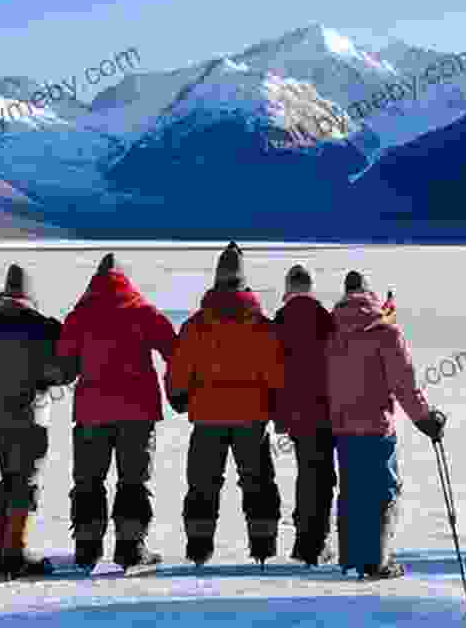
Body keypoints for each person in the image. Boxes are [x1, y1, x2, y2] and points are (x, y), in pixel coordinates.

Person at [167, 242, 285, 568]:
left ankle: (199, 550)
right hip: (253, 417)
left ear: (216, 279)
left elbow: (179, 368)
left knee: (203, 485)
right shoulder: (262, 326)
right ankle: (263, 547)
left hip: (207, 418)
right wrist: (276, 402)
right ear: (243, 280)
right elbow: (276, 370)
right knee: (258, 483)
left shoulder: (195, 325)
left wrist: (178, 396)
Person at [56, 254, 176, 573]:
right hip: (138, 412)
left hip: (91, 413)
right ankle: (131, 549)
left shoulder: (80, 316)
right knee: (133, 481)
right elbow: (174, 349)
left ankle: (86, 549)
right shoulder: (142, 312)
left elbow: (64, 368)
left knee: (88, 481)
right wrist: (178, 390)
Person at [327, 271, 446, 580]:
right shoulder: (385, 333)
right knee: (383, 492)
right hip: (376, 427)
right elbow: (404, 384)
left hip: (342, 427)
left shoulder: (330, 332)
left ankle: (353, 558)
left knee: (352, 491)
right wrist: (424, 419)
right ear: (371, 297)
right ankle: (377, 562)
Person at [0, 264, 68, 579]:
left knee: (8, 479)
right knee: (25, 483)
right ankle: (14, 553)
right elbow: (63, 370)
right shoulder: (39, 327)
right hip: (28, 415)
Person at [272, 264, 337, 566]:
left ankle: (304, 540)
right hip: (323, 410)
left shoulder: (280, 320)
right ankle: (313, 544)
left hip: (294, 413)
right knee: (320, 477)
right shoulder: (325, 319)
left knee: (307, 473)